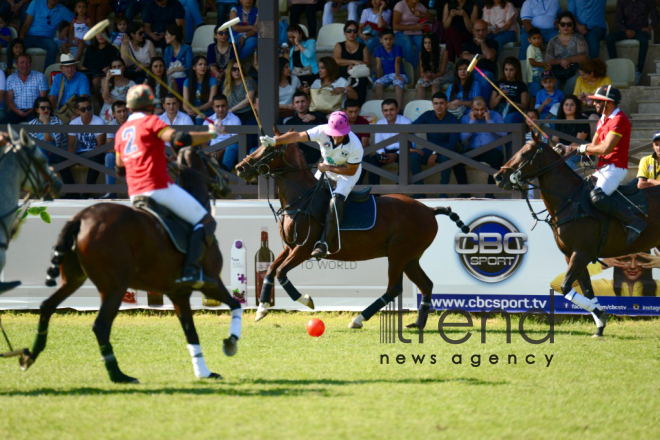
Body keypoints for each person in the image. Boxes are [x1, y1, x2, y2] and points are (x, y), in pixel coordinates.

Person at [115, 84, 223, 288]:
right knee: (206, 221)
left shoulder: (121, 132)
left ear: (129, 109)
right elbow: (179, 139)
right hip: (157, 187)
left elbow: (119, 168)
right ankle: (191, 271)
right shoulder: (151, 122)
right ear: (149, 107)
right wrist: (211, 134)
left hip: (134, 194)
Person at [260, 111, 364, 259]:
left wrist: (328, 168)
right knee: (310, 193)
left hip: (347, 174)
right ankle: (310, 231)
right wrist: (275, 141)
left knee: (335, 202)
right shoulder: (321, 131)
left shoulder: (355, 145)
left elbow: (350, 169)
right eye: (333, 133)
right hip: (326, 167)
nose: (336, 136)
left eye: (339, 133)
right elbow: (296, 136)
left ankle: (325, 243)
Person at [567, 86, 646, 245]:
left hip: (615, 168)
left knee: (597, 197)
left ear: (608, 103)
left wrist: (584, 148)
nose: (595, 103)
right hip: (602, 168)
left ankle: (633, 221)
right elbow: (594, 145)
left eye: (598, 101)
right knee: (581, 193)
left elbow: (605, 148)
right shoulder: (603, 119)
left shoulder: (619, 119)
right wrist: (570, 148)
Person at [411, 91, 464, 198]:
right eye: (436, 103)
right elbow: (410, 129)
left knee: (446, 157)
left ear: (446, 104)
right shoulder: (428, 115)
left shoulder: (452, 119)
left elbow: (453, 144)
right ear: (433, 104)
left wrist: (435, 153)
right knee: (413, 157)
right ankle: (420, 191)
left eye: (441, 103)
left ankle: (442, 192)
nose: (438, 106)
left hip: (446, 150)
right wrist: (411, 148)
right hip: (428, 150)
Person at [551, 253, 660, 297]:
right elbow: (557, 284)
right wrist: (600, 265)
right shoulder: (603, 287)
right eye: (626, 259)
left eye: (640, 259)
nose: (632, 266)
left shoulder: (657, 287)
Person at [460, 96, 506, 198]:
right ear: (471, 108)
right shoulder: (466, 118)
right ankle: (464, 192)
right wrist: (472, 122)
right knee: (456, 159)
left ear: (486, 108)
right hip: (474, 151)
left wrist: (489, 121)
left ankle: (489, 193)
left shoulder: (495, 115)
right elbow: (463, 139)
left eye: (482, 109)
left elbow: (504, 133)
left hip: (491, 150)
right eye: (476, 110)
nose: (480, 112)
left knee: (498, 157)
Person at [606, 0, 659, 86]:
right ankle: (615, 65)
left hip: (641, 30)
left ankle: (639, 71)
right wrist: (626, 30)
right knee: (609, 38)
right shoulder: (622, 1)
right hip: (626, 30)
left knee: (644, 40)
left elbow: (656, 17)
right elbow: (617, 21)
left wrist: (649, 28)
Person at [363, 98, 410, 185]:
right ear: (382, 112)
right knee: (373, 161)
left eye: (391, 110)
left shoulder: (406, 122)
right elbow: (378, 144)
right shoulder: (380, 123)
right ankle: (374, 193)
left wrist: (397, 154)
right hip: (385, 152)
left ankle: (399, 191)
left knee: (405, 160)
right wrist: (382, 154)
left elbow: (410, 144)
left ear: (397, 110)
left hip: (402, 151)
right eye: (385, 110)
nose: (388, 113)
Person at [66, 97, 106, 197]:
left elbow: (100, 144)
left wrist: (86, 159)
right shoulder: (74, 123)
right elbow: (70, 145)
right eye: (83, 109)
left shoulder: (99, 122)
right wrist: (76, 158)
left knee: (97, 158)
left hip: (95, 152)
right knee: (61, 158)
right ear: (78, 111)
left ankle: (87, 192)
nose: (87, 111)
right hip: (80, 153)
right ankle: (72, 192)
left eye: (89, 108)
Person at [20, 0, 74, 69]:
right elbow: (26, 25)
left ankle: (47, 74)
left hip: (45, 39)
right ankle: (17, 72)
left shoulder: (62, 9)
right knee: (15, 47)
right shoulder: (36, 2)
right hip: (30, 36)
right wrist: (20, 40)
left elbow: (76, 20)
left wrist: (66, 28)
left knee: (53, 46)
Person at [546, 11, 589, 91]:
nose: (566, 27)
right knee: (551, 83)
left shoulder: (579, 38)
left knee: (572, 82)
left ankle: (567, 102)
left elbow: (584, 57)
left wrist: (569, 60)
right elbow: (549, 60)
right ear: (558, 25)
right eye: (562, 24)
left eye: (569, 24)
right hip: (557, 69)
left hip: (575, 68)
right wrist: (561, 62)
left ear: (573, 26)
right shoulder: (553, 41)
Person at [285, 91, 328, 164]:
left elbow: (326, 121)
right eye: (297, 102)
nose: (300, 104)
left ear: (308, 102)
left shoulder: (317, 115)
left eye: (303, 101)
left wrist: (314, 117)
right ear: (293, 105)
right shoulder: (290, 122)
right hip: (299, 157)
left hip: (319, 155)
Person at [334, 21, 370, 106]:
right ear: (344, 32)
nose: (352, 33)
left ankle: (359, 107)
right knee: (340, 80)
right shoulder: (339, 45)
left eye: (354, 31)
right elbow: (336, 61)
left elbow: (367, 63)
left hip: (358, 74)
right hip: (342, 73)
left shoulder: (363, 47)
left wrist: (355, 66)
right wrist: (353, 61)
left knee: (362, 81)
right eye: (349, 31)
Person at [460, 19, 498, 101]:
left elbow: (489, 55)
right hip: (471, 72)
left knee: (485, 78)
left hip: (487, 73)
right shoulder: (467, 44)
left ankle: (484, 108)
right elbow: (464, 57)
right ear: (473, 31)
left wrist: (482, 42)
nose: (481, 33)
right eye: (478, 30)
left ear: (487, 30)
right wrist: (482, 56)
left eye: (483, 30)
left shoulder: (493, 43)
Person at [203, 94, 242, 171]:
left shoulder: (235, 119)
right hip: (212, 151)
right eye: (217, 106)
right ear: (213, 107)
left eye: (223, 106)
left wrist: (221, 151)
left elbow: (235, 140)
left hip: (228, 150)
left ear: (227, 105)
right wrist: (211, 152)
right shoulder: (207, 121)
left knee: (232, 147)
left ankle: (225, 174)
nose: (220, 109)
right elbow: (205, 142)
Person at [79, 29, 119, 104]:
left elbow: (117, 67)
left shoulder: (112, 49)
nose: (100, 35)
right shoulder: (90, 48)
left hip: (103, 75)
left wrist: (109, 68)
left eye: (103, 32)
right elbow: (84, 65)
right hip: (90, 73)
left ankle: (102, 105)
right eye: (98, 33)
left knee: (96, 81)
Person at [6, 54, 48, 124]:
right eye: (22, 62)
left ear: (31, 64)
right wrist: (17, 111)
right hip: (16, 111)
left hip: (35, 111)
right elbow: (9, 99)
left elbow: (43, 98)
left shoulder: (40, 77)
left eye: (27, 62)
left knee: (37, 128)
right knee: (3, 126)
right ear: (16, 64)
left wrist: (34, 109)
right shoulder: (11, 78)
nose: (25, 65)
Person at [551, 95, 590, 170]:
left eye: (572, 105)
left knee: (565, 160)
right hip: (562, 151)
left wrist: (563, 151)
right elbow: (554, 140)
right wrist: (554, 148)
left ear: (577, 107)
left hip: (579, 152)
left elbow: (578, 142)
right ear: (562, 106)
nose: (568, 107)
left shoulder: (583, 120)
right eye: (566, 104)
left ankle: (580, 180)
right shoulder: (559, 121)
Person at [392, 0, 435, 67]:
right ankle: (410, 67)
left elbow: (433, 20)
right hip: (400, 32)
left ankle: (412, 67)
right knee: (408, 43)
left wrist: (422, 15)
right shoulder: (400, 5)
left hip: (415, 32)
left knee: (423, 43)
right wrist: (413, 27)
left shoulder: (420, 5)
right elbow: (395, 26)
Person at [102, 100, 129, 199]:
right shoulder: (111, 125)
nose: (122, 114)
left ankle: (142, 192)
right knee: (109, 157)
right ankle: (111, 191)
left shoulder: (134, 122)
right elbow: (108, 147)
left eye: (124, 111)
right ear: (113, 114)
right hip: (121, 154)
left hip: (134, 153)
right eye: (119, 112)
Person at [374, 29, 407, 109]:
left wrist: (397, 75)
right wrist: (379, 78)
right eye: (385, 39)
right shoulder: (379, 49)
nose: (388, 41)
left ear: (394, 39)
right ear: (381, 40)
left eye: (390, 39)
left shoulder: (397, 48)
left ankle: (398, 109)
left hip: (399, 74)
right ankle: (381, 109)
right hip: (387, 76)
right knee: (378, 84)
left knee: (397, 84)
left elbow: (397, 62)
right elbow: (378, 65)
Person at [489, 57, 528, 124]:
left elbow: (524, 105)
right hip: (499, 109)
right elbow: (491, 106)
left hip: (514, 111)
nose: (508, 73)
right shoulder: (498, 83)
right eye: (506, 69)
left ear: (516, 70)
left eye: (511, 70)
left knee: (510, 118)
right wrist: (499, 96)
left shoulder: (521, 85)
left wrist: (515, 105)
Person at [27, 96, 66, 162]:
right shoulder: (31, 124)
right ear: (37, 110)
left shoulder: (57, 122)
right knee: (42, 154)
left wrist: (45, 123)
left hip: (55, 154)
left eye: (48, 108)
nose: (46, 110)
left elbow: (63, 140)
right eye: (43, 108)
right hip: (40, 155)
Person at [417, 32, 454, 99]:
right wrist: (425, 76)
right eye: (425, 43)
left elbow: (442, 71)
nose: (427, 45)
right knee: (420, 84)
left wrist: (432, 76)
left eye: (430, 43)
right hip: (430, 74)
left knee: (435, 83)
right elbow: (422, 72)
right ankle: (421, 107)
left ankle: (434, 105)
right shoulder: (422, 53)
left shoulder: (443, 52)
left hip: (444, 74)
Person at [184, 55, 218, 125]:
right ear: (194, 67)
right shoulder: (187, 81)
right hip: (193, 110)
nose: (203, 67)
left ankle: (199, 136)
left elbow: (211, 102)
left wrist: (199, 109)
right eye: (200, 64)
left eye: (205, 64)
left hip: (208, 110)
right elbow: (185, 102)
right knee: (185, 118)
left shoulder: (212, 80)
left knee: (199, 117)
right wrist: (188, 110)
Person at [100, 58, 135, 124]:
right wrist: (107, 79)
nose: (117, 68)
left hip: (124, 110)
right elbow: (105, 97)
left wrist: (114, 100)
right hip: (109, 110)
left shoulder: (131, 83)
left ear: (124, 67)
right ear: (111, 69)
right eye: (114, 67)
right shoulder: (105, 81)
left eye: (119, 66)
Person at [224, 59, 256, 124]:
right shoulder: (227, 82)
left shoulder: (247, 81)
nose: (237, 71)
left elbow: (248, 100)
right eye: (234, 69)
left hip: (246, 112)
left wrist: (232, 109)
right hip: (231, 113)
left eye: (239, 69)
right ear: (230, 70)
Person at [163, 24, 193, 92]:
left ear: (173, 37)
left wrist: (173, 70)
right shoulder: (167, 50)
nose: (165, 37)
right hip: (170, 79)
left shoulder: (187, 48)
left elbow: (189, 66)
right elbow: (165, 65)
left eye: (167, 35)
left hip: (184, 78)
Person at [526, 27, 550, 101]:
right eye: (534, 38)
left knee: (538, 95)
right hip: (533, 78)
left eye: (538, 38)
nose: (537, 40)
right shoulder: (531, 48)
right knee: (533, 97)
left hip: (538, 77)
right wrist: (543, 64)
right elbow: (532, 62)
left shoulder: (537, 48)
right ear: (529, 40)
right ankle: (531, 111)